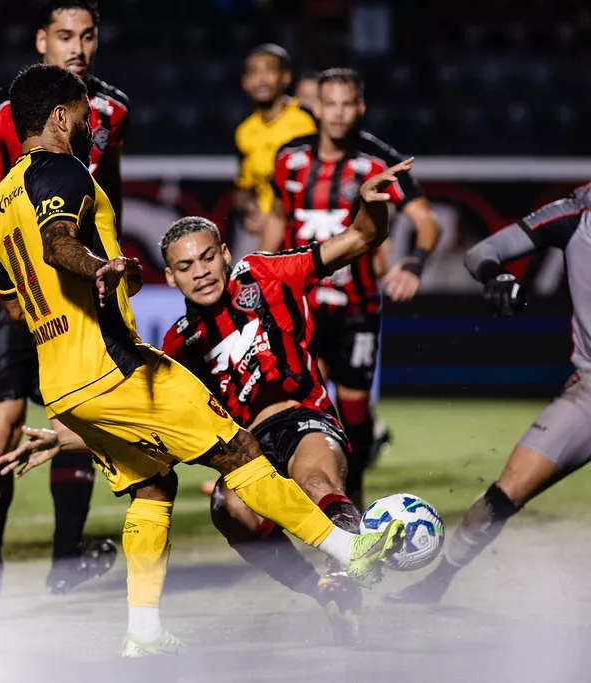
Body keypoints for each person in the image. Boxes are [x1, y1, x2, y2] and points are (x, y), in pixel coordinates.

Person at [0, 63, 405, 657]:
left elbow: (11, 301)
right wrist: (99, 268)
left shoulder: (2, 200)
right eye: (84, 111)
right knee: (239, 453)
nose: (91, 121)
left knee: (154, 488)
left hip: (60, 381)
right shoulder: (63, 170)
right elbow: (60, 246)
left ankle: (145, 633)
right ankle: (349, 551)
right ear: (60, 116)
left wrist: (66, 427)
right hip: (112, 365)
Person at [157, 172, 411, 641]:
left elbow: (360, 237)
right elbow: (142, 414)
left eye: (209, 256)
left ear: (225, 254)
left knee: (316, 481)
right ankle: (325, 590)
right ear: (171, 277)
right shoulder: (179, 343)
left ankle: (354, 559)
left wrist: (370, 204)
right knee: (228, 509)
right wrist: (69, 435)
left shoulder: (263, 274)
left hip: (304, 417)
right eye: (187, 265)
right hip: (246, 448)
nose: (202, 271)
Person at [0, 0, 128, 597]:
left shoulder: (111, 109)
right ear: (42, 41)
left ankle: (65, 564)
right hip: (10, 295)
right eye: (65, 35)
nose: (78, 47)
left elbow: (106, 183)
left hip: (76, 300)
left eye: (87, 36)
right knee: (0, 429)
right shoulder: (2, 109)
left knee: (75, 420)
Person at [388, 183, 591, 604]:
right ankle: (438, 580)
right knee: (504, 494)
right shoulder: (576, 213)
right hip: (589, 395)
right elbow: (481, 252)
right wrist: (497, 276)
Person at [260, 68, 441, 507]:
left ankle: (353, 497)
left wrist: (413, 265)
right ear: (315, 107)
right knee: (295, 404)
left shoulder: (379, 163)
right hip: (300, 305)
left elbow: (427, 223)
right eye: (330, 104)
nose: (338, 113)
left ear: (360, 107)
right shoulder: (288, 158)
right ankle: (287, 500)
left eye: (348, 104)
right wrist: (259, 273)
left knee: (354, 415)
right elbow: (279, 219)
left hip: (357, 309)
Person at [233, 44, 316, 238]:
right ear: (245, 82)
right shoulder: (244, 131)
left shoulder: (308, 118)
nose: (261, 79)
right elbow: (244, 189)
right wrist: (248, 212)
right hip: (273, 235)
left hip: (312, 230)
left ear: (285, 76)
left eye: (269, 70)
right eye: (254, 72)